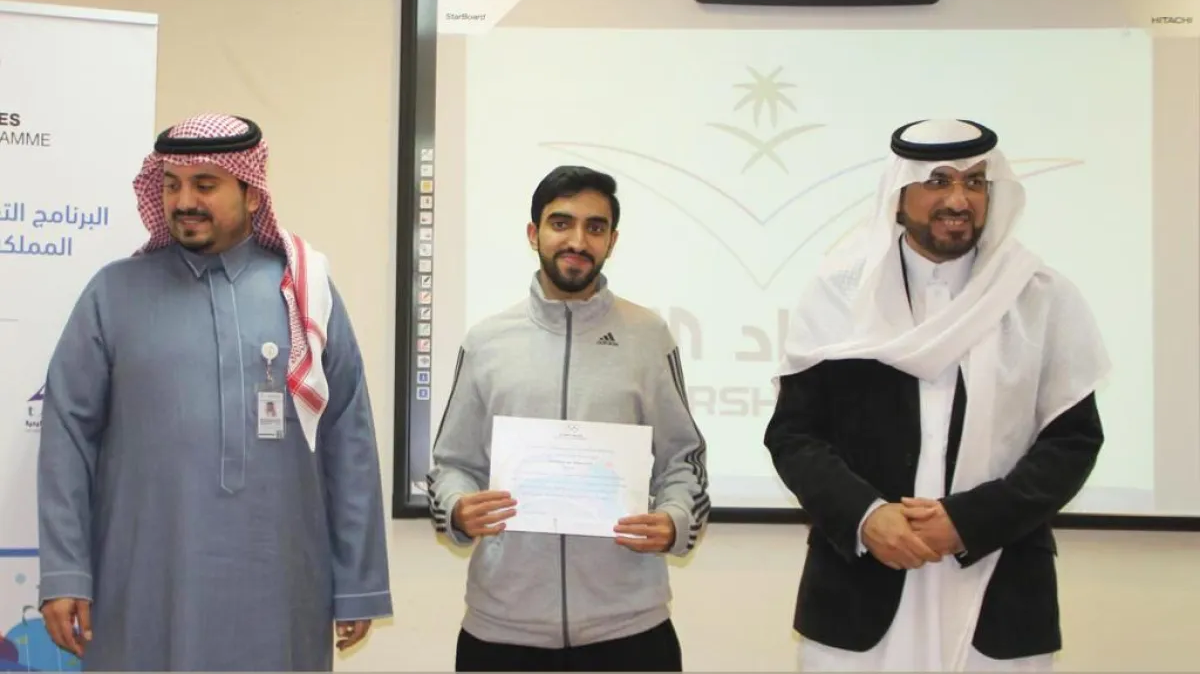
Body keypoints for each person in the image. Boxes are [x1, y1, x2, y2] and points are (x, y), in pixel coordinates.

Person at [36, 113, 393, 671]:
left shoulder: (305, 292)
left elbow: (349, 441)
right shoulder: (114, 293)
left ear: (251, 193)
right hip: (141, 584)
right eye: (172, 185)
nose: (184, 202)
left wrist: (359, 582)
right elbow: (66, 439)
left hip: (281, 586)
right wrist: (65, 573)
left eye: (205, 185)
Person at [764, 119, 1109, 671]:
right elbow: (795, 435)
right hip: (861, 588)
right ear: (899, 195)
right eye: (938, 181)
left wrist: (969, 521)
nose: (958, 199)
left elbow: (1071, 442)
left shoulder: (1038, 297)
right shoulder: (839, 295)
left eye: (975, 182)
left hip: (998, 586)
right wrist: (865, 516)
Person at [425, 165, 710, 672]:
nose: (578, 240)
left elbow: (683, 460)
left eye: (595, 227)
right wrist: (458, 508)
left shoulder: (649, 337)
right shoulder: (487, 341)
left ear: (612, 241)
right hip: (502, 631)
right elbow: (451, 464)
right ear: (533, 233)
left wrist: (674, 520)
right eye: (561, 223)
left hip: (629, 631)